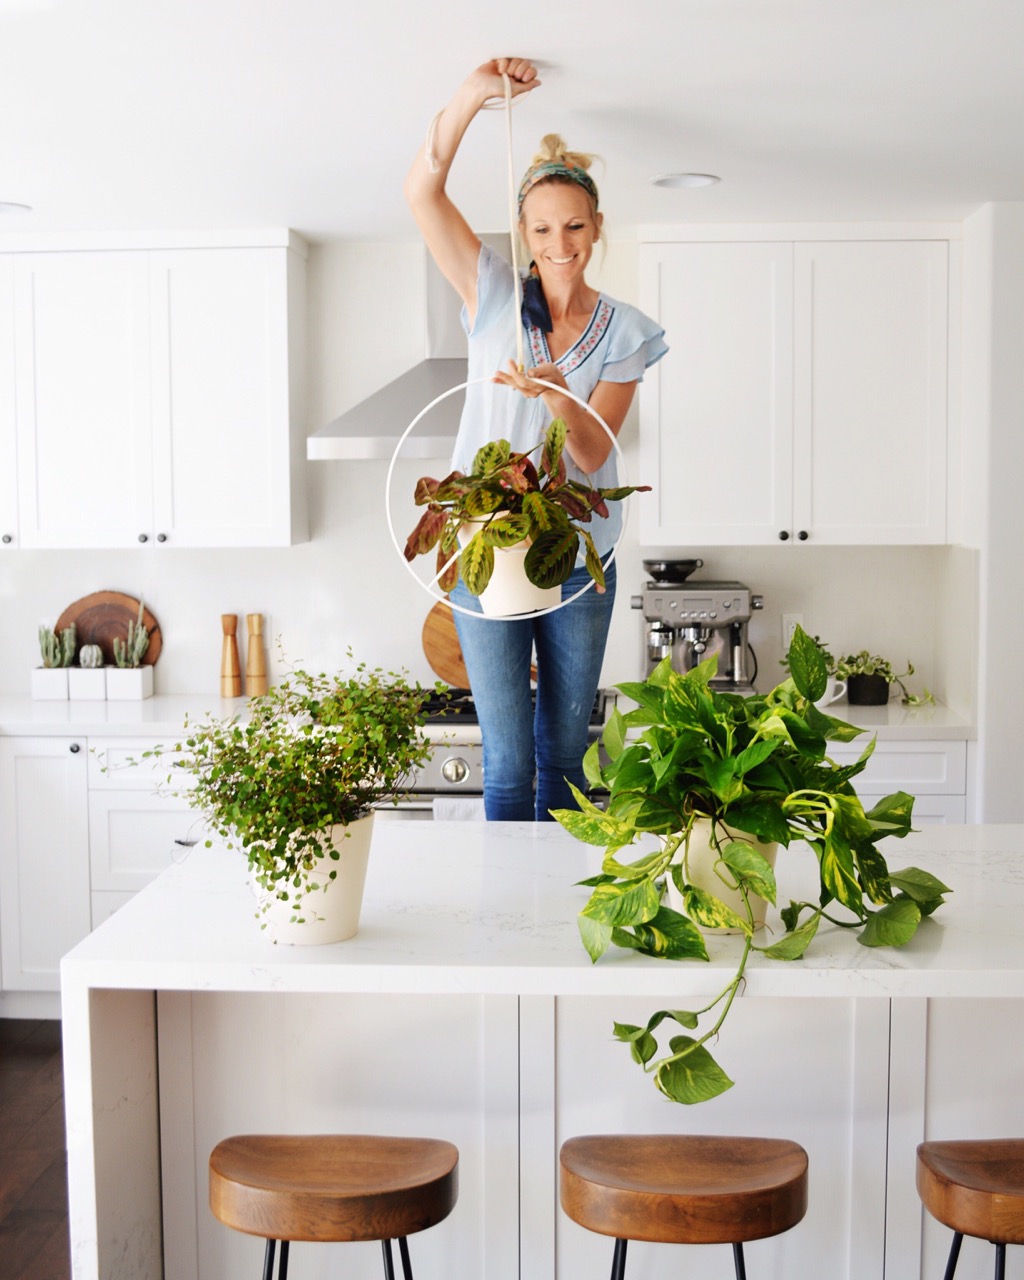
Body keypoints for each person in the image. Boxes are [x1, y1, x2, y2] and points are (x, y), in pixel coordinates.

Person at [404, 57, 668, 821]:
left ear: (596, 229)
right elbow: (420, 192)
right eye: (544, 228)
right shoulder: (492, 294)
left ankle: (556, 923)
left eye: (575, 226)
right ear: (524, 232)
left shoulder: (626, 333)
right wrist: (470, 97)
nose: (560, 243)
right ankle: (506, 930)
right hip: (486, 540)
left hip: (578, 555)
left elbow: (591, 455)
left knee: (567, 761)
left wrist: (553, 387)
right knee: (508, 766)